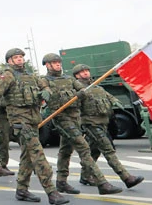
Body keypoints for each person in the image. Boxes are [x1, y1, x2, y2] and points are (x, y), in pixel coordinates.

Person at [0, 48, 68, 205]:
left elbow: (44, 85)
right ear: (9, 61)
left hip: (33, 118)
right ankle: (51, 191)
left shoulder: (30, 76)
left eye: (21, 57)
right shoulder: (8, 76)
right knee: (37, 153)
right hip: (20, 120)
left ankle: (22, 189)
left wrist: (46, 91)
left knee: (27, 156)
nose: (19, 60)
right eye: (16, 58)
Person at [41, 53, 122, 195]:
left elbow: (84, 89)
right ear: (48, 65)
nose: (58, 64)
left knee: (66, 150)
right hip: (61, 118)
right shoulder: (44, 80)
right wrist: (45, 93)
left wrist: (82, 93)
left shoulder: (69, 79)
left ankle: (61, 182)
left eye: (59, 62)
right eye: (54, 62)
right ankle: (102, 183)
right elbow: (44, 90)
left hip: (75, 117)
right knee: (83, 147)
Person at [72, 64, 144, 189]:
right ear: (77, 75)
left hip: (103, 122)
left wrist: (115, 101)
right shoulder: (77, 90)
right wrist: (78, 97)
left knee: (94, 151)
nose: (85, 73)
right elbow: (73, 105)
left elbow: (107, 96)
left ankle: (85, 176)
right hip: (91, 123)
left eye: (87, 70)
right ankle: (126, 177)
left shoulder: (97, 86)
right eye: (82, 72)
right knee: (108, 150)